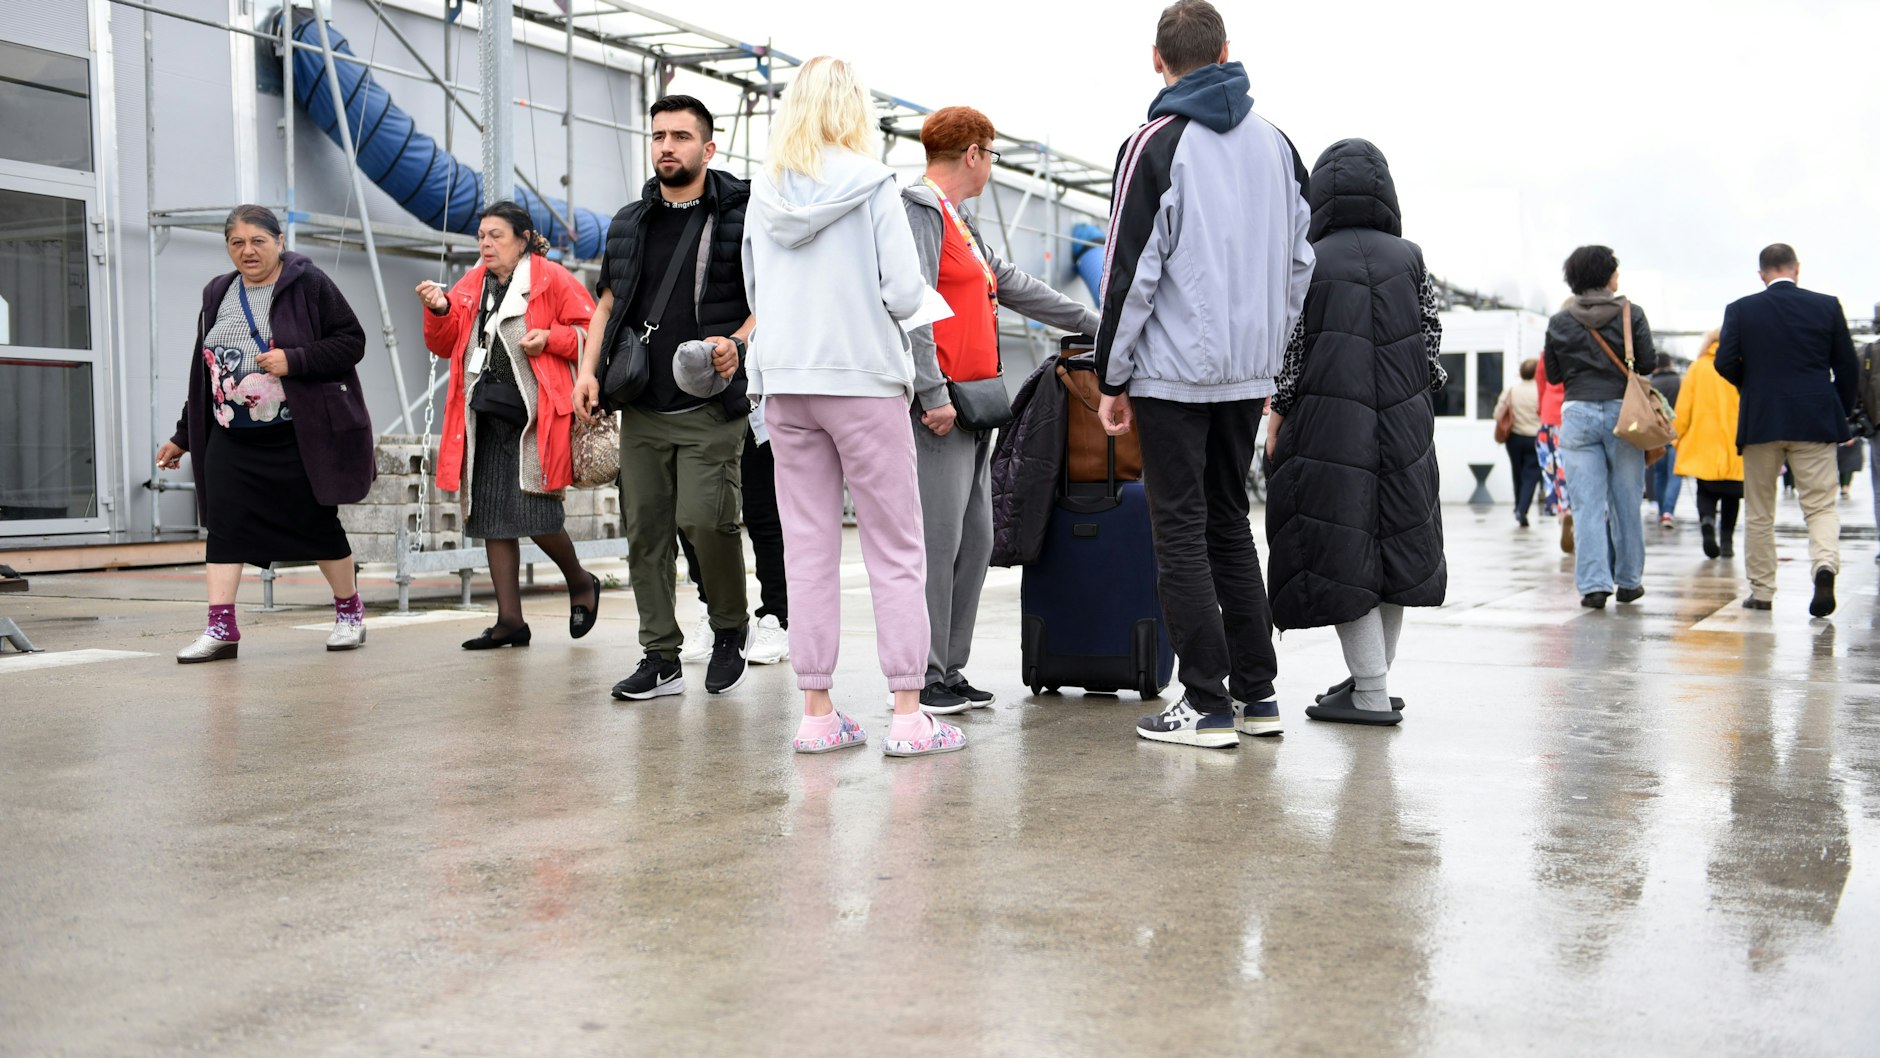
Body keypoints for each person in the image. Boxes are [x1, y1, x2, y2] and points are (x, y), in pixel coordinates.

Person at [1094, 0, 1310, 749]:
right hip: (1246, 374)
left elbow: (1129, 270)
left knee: (1179, 532)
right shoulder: (1278, 145)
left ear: (1158, 60)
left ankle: (1206, 703)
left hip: (1173, 375)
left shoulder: (1154, 143)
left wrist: (1110, 378)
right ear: (1226, 51)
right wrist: (1272, 361)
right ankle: (1258, 694)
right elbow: (1299, 267)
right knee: (1229, 527)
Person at [742, 55, 965, 758]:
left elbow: (755, 288)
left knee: (807, 549)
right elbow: (902, 292)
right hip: (863, 380)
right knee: (895, 548)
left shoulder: (763, 191)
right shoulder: (875, 185)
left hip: (785, 380)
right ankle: (907, 715)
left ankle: (816, 713)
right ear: (853, 110)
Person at [902, 105, 1101, 715]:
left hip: (978, 405)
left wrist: (1097, 321)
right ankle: (926, 671)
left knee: (975, 536)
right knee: (939, 542)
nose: (991, 165)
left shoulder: (962, 221)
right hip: (942, 408)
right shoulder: (920, 210)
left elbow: (1010, 282)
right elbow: (908, 301)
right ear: (973, 154)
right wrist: (930, 390)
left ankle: (950, 667)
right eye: (990, 154)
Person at [574, 95, 758, 700]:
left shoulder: (742, 212)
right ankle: (661, 655)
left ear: (708, 148)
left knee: (706, 521)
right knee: (645, 531)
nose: (666, 147)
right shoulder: (631, 220)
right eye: (658, 136)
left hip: (710, 401)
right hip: (643, 405)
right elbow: (606, 303)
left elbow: (772, 296)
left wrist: (738, 341)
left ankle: (730, 630)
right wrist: (587, 371)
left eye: (681, 136)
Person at [1265, 139, 1446, 726]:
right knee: (1395, 547)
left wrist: (1277, 415)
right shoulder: (1411, 257)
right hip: (1405, 420)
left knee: (1342, 547)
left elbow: (1288, 351)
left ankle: (1368, 691)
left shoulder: (1307, 258)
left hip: (1326, 423)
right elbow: (1431, 344)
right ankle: (1371, 680)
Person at [157, 204, 375, 662]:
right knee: (224, 528)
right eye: (237, 242)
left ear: (279, 241)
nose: (247, 250)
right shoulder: (217, 292)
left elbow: (351, 341)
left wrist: (294, 360)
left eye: (258, 240)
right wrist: (183, 436)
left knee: (318, 526)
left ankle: (349, 613)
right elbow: (207, 373)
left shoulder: (309, 283)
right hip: (230, 440)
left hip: (297, 435)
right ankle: (221, 628)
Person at [418, 201, 600, 650]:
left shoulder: (551, 277)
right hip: (482, 418)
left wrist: (552, 338)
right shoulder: (471, 283)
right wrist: (440, 309)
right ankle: (510, 621)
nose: (486, 243)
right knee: (491, 517)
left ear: (523, 239)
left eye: (496, 235)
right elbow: (443, 345)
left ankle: (580, 582)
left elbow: (593, 329)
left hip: (535, 419)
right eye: (482, 235)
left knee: (537, 513)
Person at [1716, 243, 1861, 617]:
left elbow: (1724, 361)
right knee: (1820, 506)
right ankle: (1824, 567)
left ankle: (1762, 591)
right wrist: (1837, 412)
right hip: (1814, 418)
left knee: (1760, 511)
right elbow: (1847, 366)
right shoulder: (1827, 305)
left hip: (1761, 419)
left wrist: (1752, 387)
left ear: (1762, 274)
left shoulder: (1741, 309)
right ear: (1797, 268)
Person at [1543, 245, 1656, 609]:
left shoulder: (1560, 322)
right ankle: (1629, 581)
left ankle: (1594, 586)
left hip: (1577, 413)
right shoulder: (1631, 313)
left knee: (1587, 505)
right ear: (1608, 277)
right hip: (1626, 414)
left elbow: (1556, 374)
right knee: (1625, 501)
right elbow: (1649, 363)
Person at [1673, 328, 1744, 559]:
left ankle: (1706, 521)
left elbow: (1684, 407)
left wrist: (1676, 436)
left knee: (1705, 489)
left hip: (1702, 440)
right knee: (1732, 495)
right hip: (1734, 440)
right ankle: (1726, 542)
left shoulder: (1698, 368)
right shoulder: (1741, 365)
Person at [1493, 358, 1543, 527]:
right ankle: (1522, 509)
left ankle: (1518, 507)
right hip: (1535, 438)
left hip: (1514, 438)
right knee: (1532, 475)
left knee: (1517, 474)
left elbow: (1497, 413)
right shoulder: (1540, 391)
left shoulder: (1512, 391)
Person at [1536, 350, 1573, 551]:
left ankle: (1562, 513)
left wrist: (1542, 408)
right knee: (1575, 468)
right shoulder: (1582, 344)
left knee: (1553, 471)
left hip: (1550, 414)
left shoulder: (1549, 350)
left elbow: (1541, 379)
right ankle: (1577, 518)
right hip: (1574, 410)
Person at [1648, 359, 1685, 527]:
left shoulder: (1651, 384)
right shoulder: (1680, 382)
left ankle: (1662, 511)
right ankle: (1669, 512)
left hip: (1658, 435)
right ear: (1670, 364)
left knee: (1659, 474)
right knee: (1675, 474)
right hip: (1676, 434)